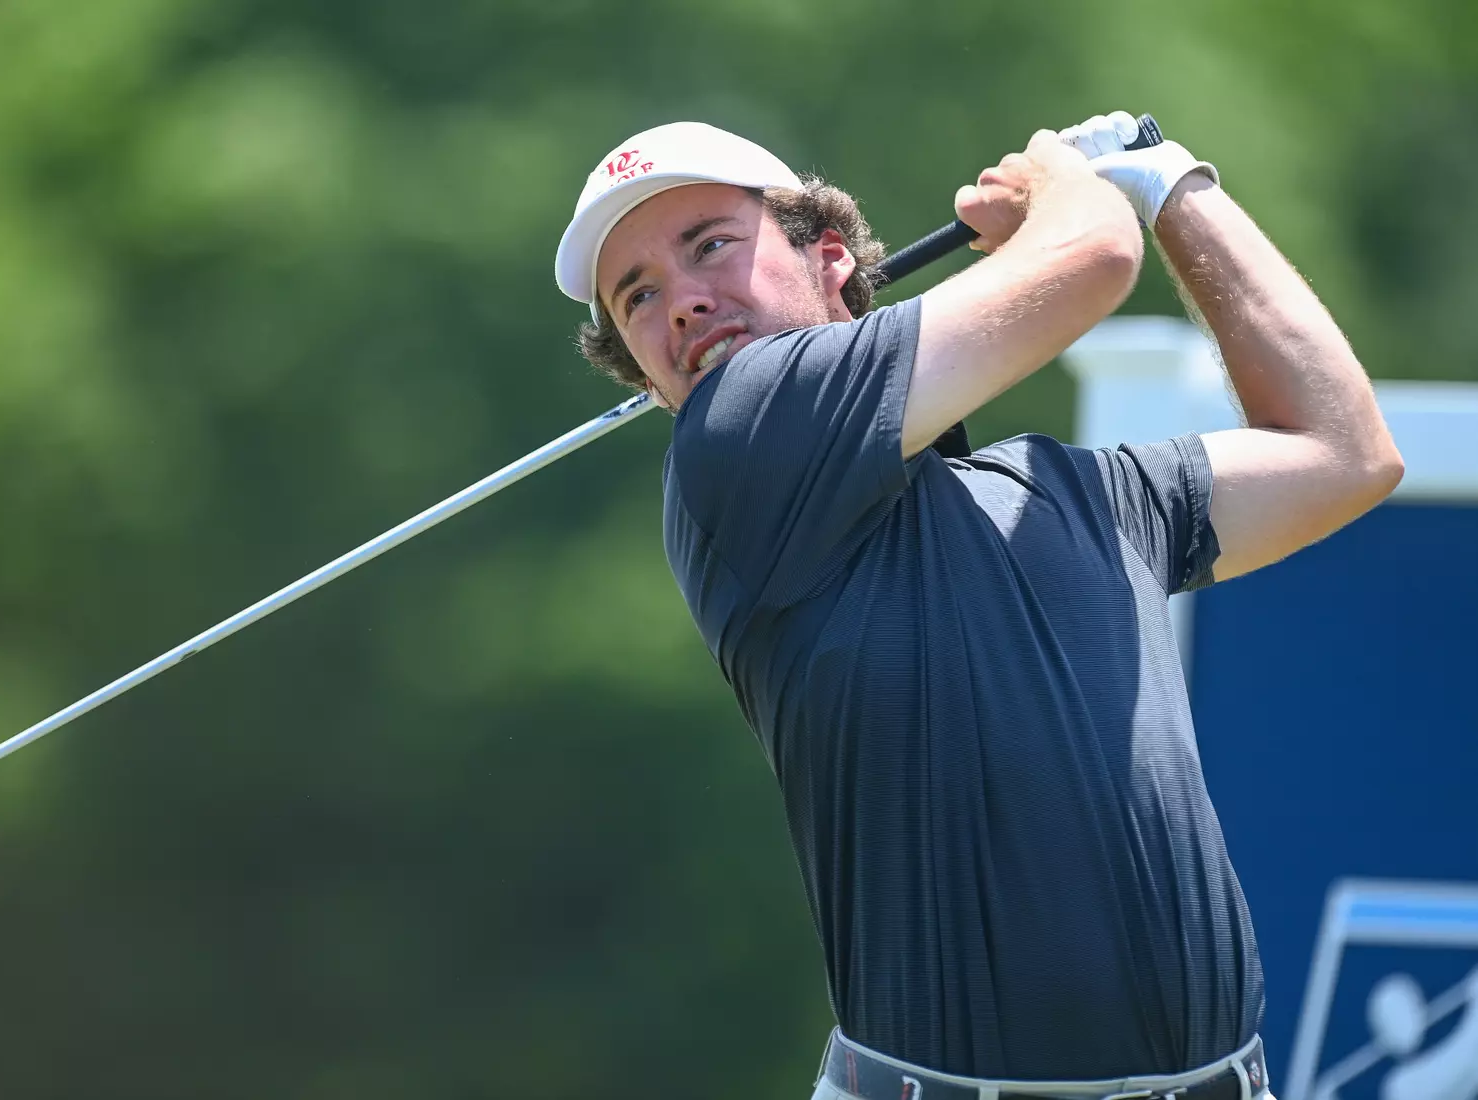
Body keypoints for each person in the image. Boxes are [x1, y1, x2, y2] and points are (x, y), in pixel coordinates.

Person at [553, 112, 1402, 1100]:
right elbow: (1094, 258)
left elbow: (1345, 451)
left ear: (830, 258)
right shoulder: (733, 438)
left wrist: (1176, 189)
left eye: (709, 246)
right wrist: (1060, 181)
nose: (684, 303)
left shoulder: (1073, 490)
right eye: (640, 296)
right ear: (651, 376)